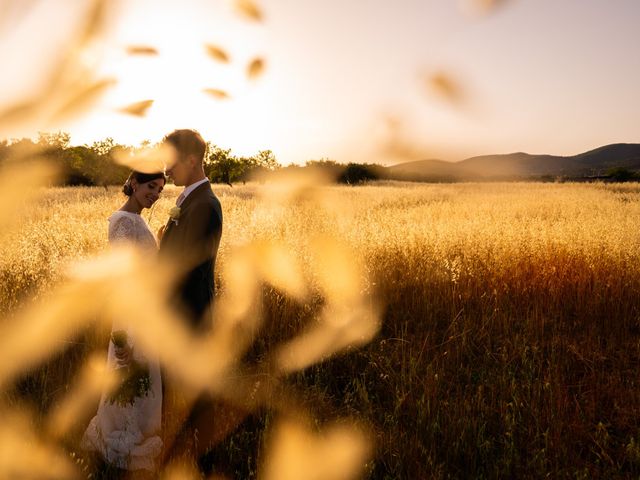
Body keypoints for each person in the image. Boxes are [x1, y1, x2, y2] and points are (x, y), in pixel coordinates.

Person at [82, 171, 166, 476]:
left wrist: (159, 243)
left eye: (160, 189)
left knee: (143, 381)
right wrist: (123, 336)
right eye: (150, 186)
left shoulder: (140, 220)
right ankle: (121, 446)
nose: (155, 193)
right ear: (133, 183)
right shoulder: (122, 221)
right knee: (129, 376)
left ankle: (134, 439)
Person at [157, 129, 223, 468]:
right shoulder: (189, 202)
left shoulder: (205, 205)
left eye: (171, 162)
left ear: (191, 160)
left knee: (197, 404)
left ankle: (203, 468)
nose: (166, 170)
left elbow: (182, 269)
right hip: (178, 319)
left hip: (191, 320)